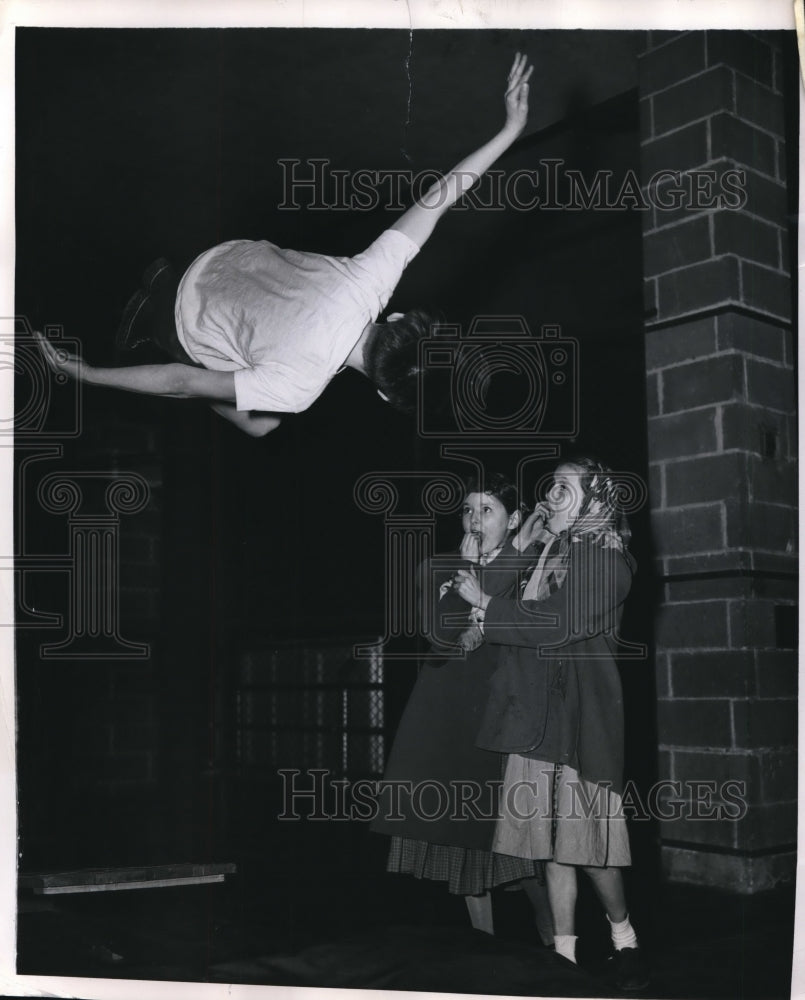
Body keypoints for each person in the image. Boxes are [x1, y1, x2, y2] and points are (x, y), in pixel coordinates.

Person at [35, 55, 533, 437]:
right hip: (174, 325)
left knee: (255, 405)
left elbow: (439, 199)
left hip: (208, 254)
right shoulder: (298, 389)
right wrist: (91, 376)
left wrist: (509, 130)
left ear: (401, 318)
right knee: (254, 415)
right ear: (384, 395)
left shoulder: (371, 279)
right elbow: (181, 383)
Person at [454, 457, 649, 992]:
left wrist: (486, 605)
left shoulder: (609, 560)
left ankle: (625, 939)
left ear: (597, 500)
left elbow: (556, 623)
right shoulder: (546, 552)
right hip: (535, 715)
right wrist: (511, 552)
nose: (552, 495)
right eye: (552, 485)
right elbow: (488, 599)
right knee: (547, 843)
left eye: (565, 487)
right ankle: (564, 953)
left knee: (589, 846)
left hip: (580, 717)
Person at [372, 473, 553, 943]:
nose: (475, 520)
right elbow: (438, 637)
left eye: (487, 510)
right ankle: (486, 951)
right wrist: (470, 573)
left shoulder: (533, 565)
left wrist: (509, 564)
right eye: (468, 510)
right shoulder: (437, 568)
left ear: (513, 519)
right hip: (451, 717)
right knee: (466, 849)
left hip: (507, 715)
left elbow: (530, 629)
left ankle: (557, 944)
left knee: (522, 851)